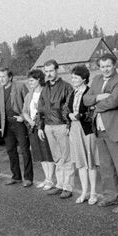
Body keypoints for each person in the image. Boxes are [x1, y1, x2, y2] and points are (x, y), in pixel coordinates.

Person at [84, 54, 118, 212]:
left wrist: (94, 106)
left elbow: (114, 101)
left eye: (108, 66)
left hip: (116, 130)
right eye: (102, 66)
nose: (105, 69)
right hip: (99, 130)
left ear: (114, 65)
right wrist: (98, 96)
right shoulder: (97, 79)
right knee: (106, 167)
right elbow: (86, 99)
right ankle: (111, 196)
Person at [37, 60, 75, 199]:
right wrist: (40, 126)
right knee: (57, 157)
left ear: (57, 70)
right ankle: (59, 185)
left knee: (67, 158)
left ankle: (68, 187)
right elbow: (40, 109)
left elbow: (70, 107)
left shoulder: (66, 87)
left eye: (51, 71)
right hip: (48, 126)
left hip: (61, 125)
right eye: (46, 71)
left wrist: (68, 124)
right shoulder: (44, 89)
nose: (49, 74)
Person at [0, 68, 33, 186]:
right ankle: (16, 176)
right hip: (7, 124)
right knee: (11, 150)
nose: (1, 79)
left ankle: (28, 178)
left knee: (24, 150)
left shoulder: (20, 87)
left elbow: (29, 103)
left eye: (3, 76)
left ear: (10, 77)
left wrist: (23, 116)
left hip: (19, 122)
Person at [66, 65, 99, 203]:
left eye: (76, 77)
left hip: (87, 130)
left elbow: (93, 112)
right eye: (72, 77)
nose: (73, 79)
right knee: (80, 162)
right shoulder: (72, 93)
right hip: (74, 129)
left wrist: (80, 116)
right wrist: (69, 115)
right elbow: (65, 109)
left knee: (90, 162)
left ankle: (93, 193)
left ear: (84, 79)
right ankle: (84, 192)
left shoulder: (90, 92)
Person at [22, 69, 56, 188]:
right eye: (29, 80)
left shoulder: (46, 92)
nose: (29, 82)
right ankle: (47, 178)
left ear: (39, 80)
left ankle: (51, 179)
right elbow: (25, 111)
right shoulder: (29, 95)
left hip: (44, 126)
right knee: (40, 155)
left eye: (32, 80)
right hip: (33, 127)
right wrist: (31, 121)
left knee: (47, 153)